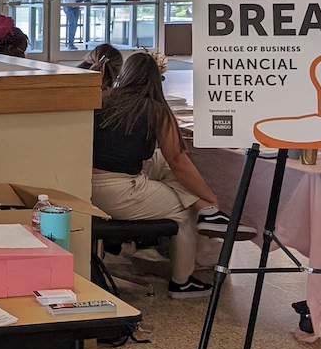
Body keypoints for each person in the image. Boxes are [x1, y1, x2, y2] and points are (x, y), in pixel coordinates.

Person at [90, 51, 229, 298]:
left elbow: (169, 162)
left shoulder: (102, 99)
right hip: (119, 191)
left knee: (160, 160)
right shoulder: (155, 109)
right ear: (156, 79)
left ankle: (206, 209)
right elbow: (179, 161)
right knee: (183, 212)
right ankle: (182, 281)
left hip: (86, 186)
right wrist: (211, 197)